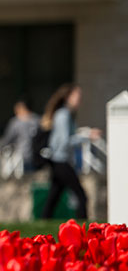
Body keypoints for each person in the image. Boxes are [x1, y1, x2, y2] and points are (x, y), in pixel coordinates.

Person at [39, 84, 102, 220]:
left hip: (60, 161)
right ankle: (82, 227)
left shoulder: (67, 114)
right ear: (68, 97)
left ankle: (43, 221)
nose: (79, 99)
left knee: (54, 196)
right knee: (81, 196)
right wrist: (87, 136)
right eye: (77, 96)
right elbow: (65, 142)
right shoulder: (63, 115)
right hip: (60, 160)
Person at [0, 99, 40, 173]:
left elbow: (7, 139)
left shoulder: (16, 122)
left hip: (21, 156)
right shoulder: (38, 120)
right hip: (36, 157)